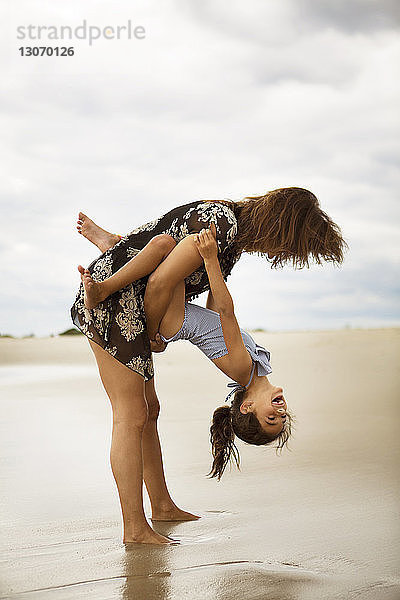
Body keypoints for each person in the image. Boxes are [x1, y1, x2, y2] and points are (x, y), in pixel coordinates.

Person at [70, 187, 345, 545]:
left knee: (148, 410)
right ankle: (134, 530)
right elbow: (197, 298)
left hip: (142, 307)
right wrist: (208, 266)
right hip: (118, 306)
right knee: (132, 414)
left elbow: (219, 312)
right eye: (289, 245)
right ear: (281, 226)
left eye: (271, 417)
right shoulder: (223, 227)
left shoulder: (246, 364)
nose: (282, 254)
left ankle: (162, 505)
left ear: (246, 406)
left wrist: (212, 267)